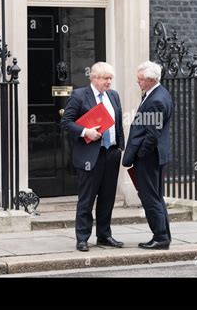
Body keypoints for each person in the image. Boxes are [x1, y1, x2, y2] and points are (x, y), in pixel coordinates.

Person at [61, 62, 125, 252]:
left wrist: (120, 146)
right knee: (87, 198)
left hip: (111, 154)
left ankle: (104, 235)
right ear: (94, 77)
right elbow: (66, 123)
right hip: (89, 155)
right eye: (106, 78)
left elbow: (118, 123)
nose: (109, 82)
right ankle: (82, 238)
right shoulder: (79, 96)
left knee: (107, 197)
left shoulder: (113, 96)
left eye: (111, 78)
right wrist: (85, 131)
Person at [122, 61, 173, 250]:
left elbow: (152, 135)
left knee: (149, 197)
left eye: (141, 79)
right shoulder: (158, 94)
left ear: (151, 79)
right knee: (156, 197)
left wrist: (140, 155)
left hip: (149, 158)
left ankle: (160, 237)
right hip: (154, 156)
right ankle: (163, 235)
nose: (138, 82)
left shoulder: (157, 100)